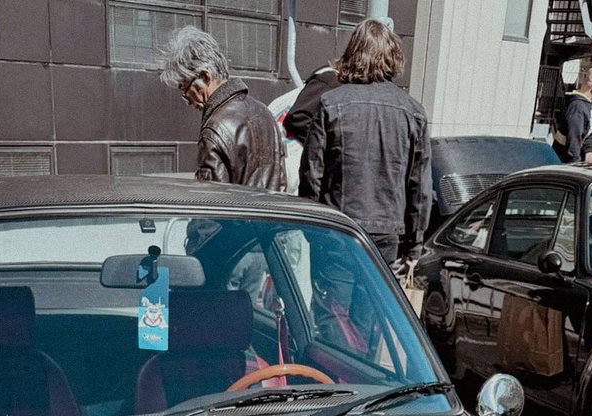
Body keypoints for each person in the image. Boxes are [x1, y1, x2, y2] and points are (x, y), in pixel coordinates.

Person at [299, 20, 431, 269]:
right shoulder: (413, 112)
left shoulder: (330, 103)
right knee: (373, 306)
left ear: (353, 54)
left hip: (337, 229)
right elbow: (420, 187)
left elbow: (311, 175)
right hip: (387, 234)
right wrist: (414, 246)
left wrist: (311, 227)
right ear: (392, 58)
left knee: (331, 307)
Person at [158, 27, 284, 189]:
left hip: (239, 214)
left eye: (184, 88)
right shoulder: (264, 112)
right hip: (274, 212)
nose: (187, 100)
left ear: (205, 76)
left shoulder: (214, 128)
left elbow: (212, 201)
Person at [553, 63, 592, 162]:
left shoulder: (580, 103)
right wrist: (575, 163)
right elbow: (574, 140)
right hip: (563, 161)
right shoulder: (578, 107)